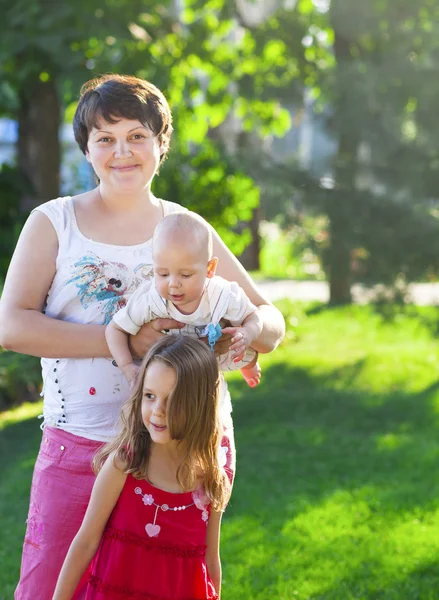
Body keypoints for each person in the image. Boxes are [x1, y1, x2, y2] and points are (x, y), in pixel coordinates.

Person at [0, 73, 285, 600]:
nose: (122, 151)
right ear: (86, 148)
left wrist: (249, 334)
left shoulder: (185, 227)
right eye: (105, 138)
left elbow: (270, 319)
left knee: (167, 587)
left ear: (161, 144)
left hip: (184, 452)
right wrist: (127, 344)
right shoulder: (54, 222)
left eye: (136, 135)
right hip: (81, 443)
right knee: (48, 587)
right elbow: (11, 327)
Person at [52, 335, 230, 600]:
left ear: (200, 404)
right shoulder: (125, 465)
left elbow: (211, 561)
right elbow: (85, 542)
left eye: (173, 400)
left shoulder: (211, 478)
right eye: (150, 395)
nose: (158, 411)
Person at [106, 210, 262, 388]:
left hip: (217, 351)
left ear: (209, 268)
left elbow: (253, 316)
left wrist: (248, 333)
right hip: (175, 361)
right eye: (163, 273)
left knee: (245, 351)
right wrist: (127, 367)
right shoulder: (151, 300)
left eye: (186, 275)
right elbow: (115, 329)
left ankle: (249, 366)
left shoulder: (223, 294)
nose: (173, 284)